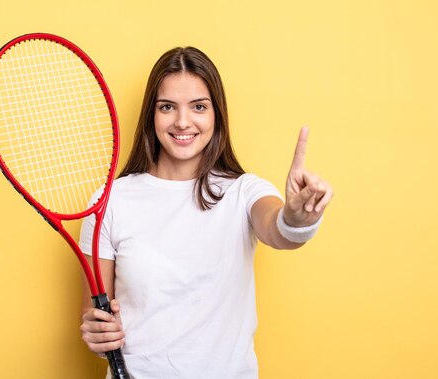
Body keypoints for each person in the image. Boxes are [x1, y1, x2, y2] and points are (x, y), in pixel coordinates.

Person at [78, 46, 333, 379]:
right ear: (151, 115)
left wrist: (299, 220)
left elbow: (278, 228)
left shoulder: (245, 191)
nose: (183, 121)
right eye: (167, 107)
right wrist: (98, 335)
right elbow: (94, 316)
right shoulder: (109, 202)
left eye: (198, 106)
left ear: (217, 114)